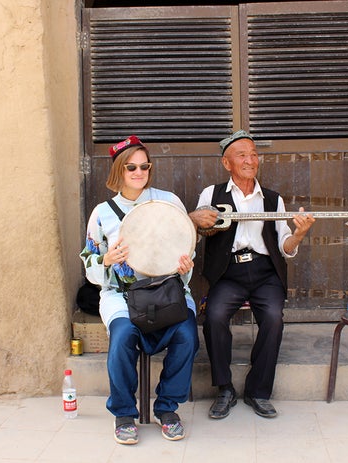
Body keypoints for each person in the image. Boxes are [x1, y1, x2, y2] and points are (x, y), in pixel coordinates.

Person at [80, 135, 199, 444]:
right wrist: (106, 259)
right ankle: (123, 413)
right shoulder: (102, 213)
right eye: (131, 167)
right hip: (122, 295)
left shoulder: (168, 202)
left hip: (168, 290)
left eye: (144, 166)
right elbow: (89, 259)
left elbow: (185, 245)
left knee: (187, 335)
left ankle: (167, 408)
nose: (138, 172)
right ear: (119, 170)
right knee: (122, 338)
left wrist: (186, 266)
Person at [188, 130, 315, 419]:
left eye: (254, 154)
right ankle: (225, 389)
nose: (250, 160)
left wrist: (299, 234)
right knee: (215, 317)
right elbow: (199, 231)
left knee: (273, 318)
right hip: (228, 272)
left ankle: (258, 391)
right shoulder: (211, 194)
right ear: (226, 163)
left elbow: (285, 246)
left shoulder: (273, 199)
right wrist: (196, 221)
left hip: (264, 271)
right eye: (242, 155)